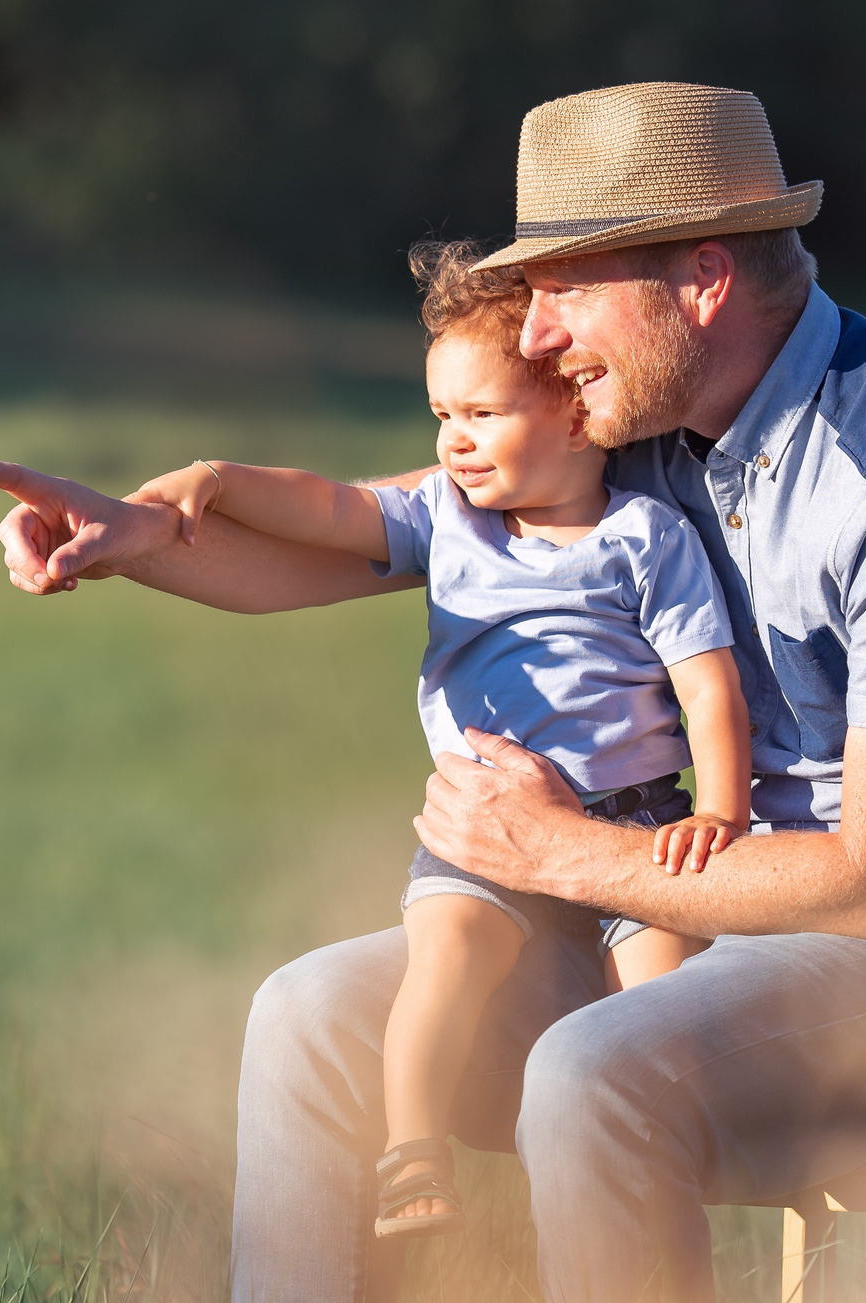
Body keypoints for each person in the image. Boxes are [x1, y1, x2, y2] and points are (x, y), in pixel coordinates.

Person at [0, 82, 866, 1303]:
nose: (538, 333)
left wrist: (567, 852)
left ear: (700, 276)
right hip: (711, 922)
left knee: (594, 1067)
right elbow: (381, 534)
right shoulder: (655, 434)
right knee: (313, 1014)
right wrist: (144, 531)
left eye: (564, 289)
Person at [119, 240, 751, 1242]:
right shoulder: (447, 520)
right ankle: (414, 1153)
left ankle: (658, 1178)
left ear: (577, 414)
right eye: (442, 417)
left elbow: (705, 684)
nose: (454, 442)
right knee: (442, 968)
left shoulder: (644, 539)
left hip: (634, 823)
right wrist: (217, 477)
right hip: (482, 827)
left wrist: (718, 808)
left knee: (652, 1007)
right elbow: (326, 503)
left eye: (483, 415)